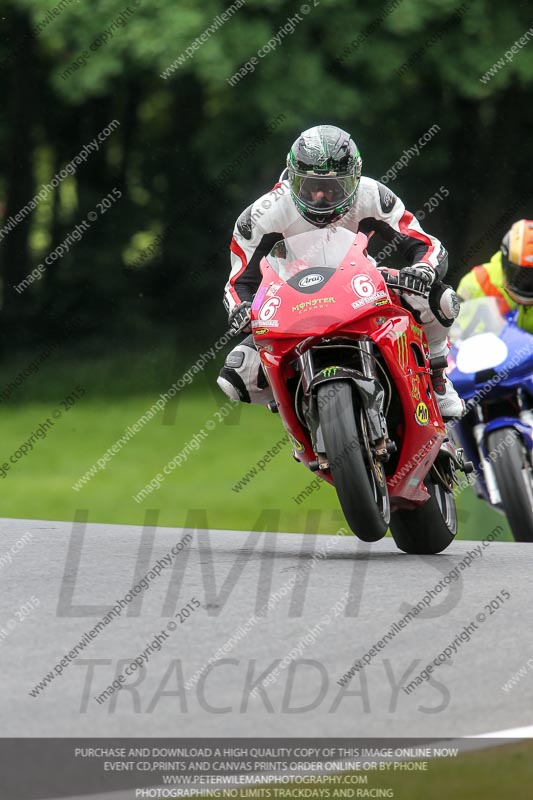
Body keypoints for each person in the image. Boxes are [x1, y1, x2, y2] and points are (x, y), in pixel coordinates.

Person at [217, 124, 464, 418]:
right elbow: (238, 282)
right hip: (292, 302)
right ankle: (290, 405)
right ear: (292, 179)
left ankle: (437, 376)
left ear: (355, 180)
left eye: (334, 188)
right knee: (236, 375)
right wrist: (242, 309)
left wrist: (423, 270)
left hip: (361, 286)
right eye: (310, 187)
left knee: (441, 299)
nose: (321, 197)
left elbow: (425, 244)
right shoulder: (261, 214)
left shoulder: (373, 195)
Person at [457, 219, 533, 333]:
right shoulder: (477, 282)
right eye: (522, 274)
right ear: (505, 262)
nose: (528, 282)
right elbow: (455, 336)